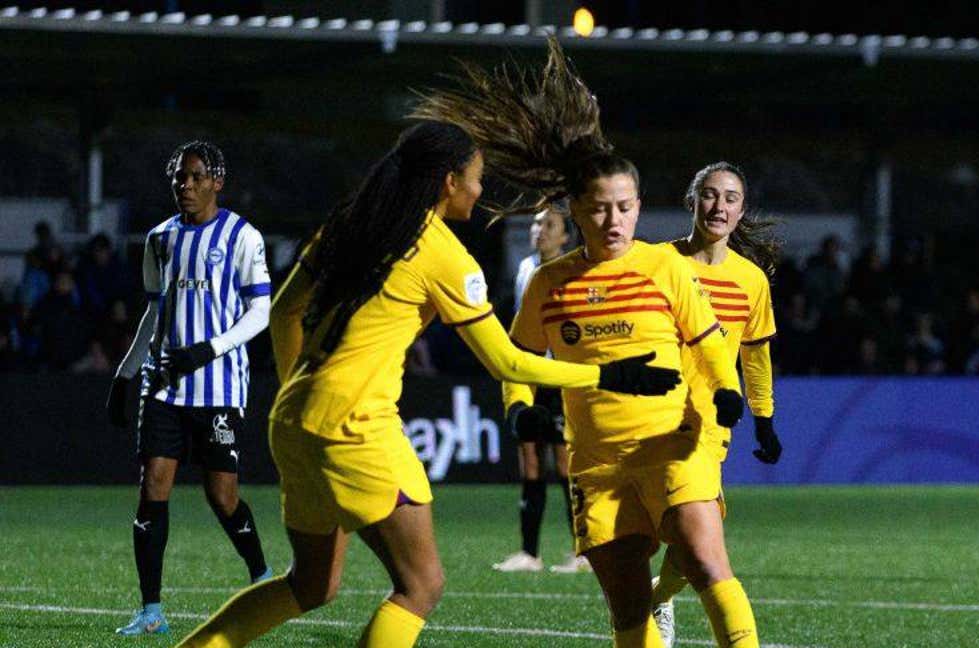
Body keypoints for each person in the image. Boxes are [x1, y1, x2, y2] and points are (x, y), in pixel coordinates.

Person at [173, 119, 678, 648]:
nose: (482, 191)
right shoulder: (441, 253)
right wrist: (611, 374)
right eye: (477, 178)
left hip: (292, 421)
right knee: (421, 585)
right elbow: (509, 362)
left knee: (311, 584)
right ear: (448, 182)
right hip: (355, 428)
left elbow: (283, 315)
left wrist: (299, 393)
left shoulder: (352, 221)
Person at [412, 40, 761, 648]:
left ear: (639, 206)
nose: (615, 221)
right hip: (596, 463)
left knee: (707, 565)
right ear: (576, 210)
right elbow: (517, 361)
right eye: (600, 210)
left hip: (672, 444)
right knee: (628, 608)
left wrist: (729, 392)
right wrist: (519, 407)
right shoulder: (550, 283)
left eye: (625, 207)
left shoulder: (665, 267)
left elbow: (709, 341)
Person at [106, 141, 273, 635]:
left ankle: (262, 577)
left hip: (218, 387)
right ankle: (151, 609)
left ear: (217, 182)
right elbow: (155, 312)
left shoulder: (243, 237)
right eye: (180, 177)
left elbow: (260, 312)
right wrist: (125, 372)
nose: (187, 185)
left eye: (197, 177)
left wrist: (209, 349)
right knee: (153, 485)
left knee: (222, 496)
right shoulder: (159, 238)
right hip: (162, 386)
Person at [650, 161, 783, 647]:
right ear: (691, 201)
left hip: (707, 426)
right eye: (709, 195)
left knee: (698, 534)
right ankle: (652, 599)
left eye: (730, 198)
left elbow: (757, 355)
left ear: (742, 210)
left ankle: (658, 597)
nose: (719, 206)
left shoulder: (751, 281)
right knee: (667, 534)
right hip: (648, 416)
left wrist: (764, 418)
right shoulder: (658, 263)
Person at [492, 203, 591, 574]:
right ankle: (529, 553)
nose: (540, 231)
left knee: (566, 465)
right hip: (528, 378)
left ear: (565, 236)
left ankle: (582, 551)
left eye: (549, 225)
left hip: (558, 377)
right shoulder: (525, 268)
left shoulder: (569, 272)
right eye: (537, 224)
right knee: (530, 463)